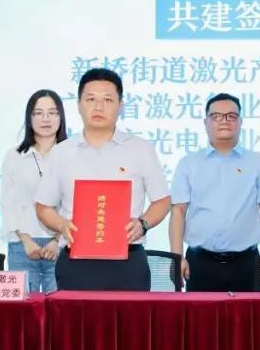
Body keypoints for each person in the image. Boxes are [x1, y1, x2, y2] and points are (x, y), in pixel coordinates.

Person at [36, 68, 170, 291]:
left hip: (128, 262)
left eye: (107, 100)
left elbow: (162, 200)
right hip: (76, 262)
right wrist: (62, 225)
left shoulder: (140, 149)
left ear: (121, 105)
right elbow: (43, 206)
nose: (98, 107)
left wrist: (143, 224)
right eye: (90, 99)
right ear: (79, 105)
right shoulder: (61, 152)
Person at [169, 93, 260, 292]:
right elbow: (178, 212)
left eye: (231, 116)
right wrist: (177, 257)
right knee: (200, 314)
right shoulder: (189, 164)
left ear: (241, 122)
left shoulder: (258, 163)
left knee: (247, 314)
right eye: (216, 116)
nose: (224, 121)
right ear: (206, 122)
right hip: (199, 263)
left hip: (246, 263)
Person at [0, 89, 68, 293]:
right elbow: (8, 203)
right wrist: (26, 241)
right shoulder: (14, 156)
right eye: (38, 113)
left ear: (61, 117)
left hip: (62, 246)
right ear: (29, 118)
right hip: (22, 246)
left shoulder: (72, 155)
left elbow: (76, 204)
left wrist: (58, 241)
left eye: (52, 113)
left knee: (60, 308)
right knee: (24, 308)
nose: (45, 119)